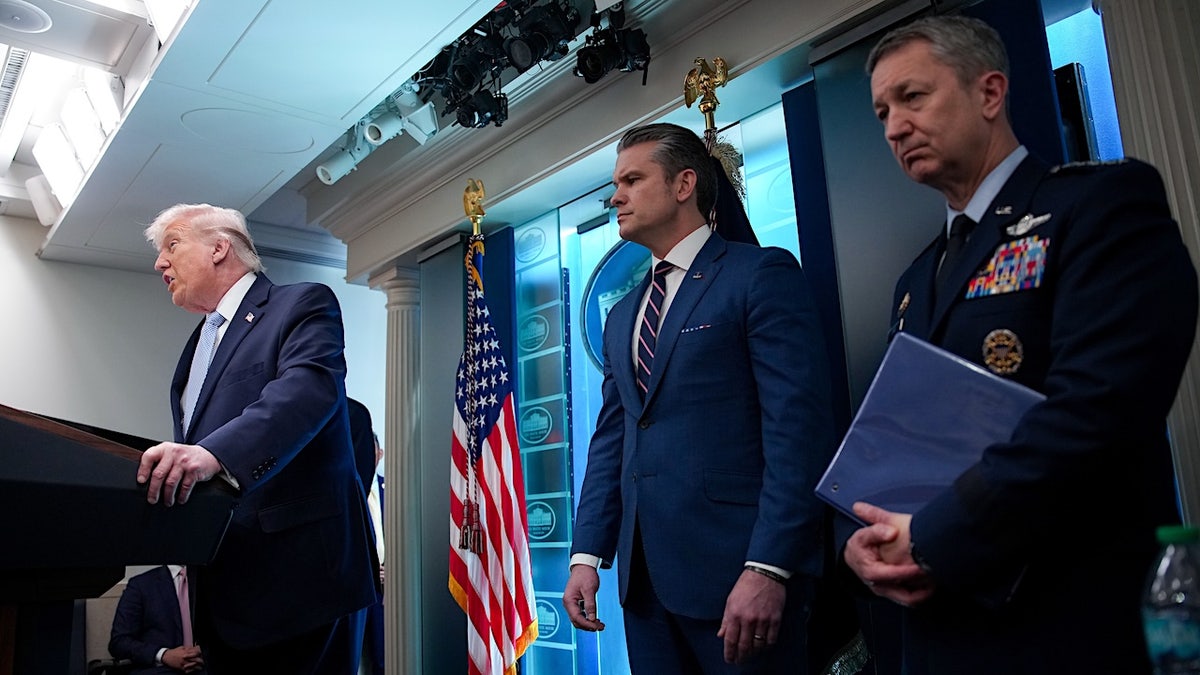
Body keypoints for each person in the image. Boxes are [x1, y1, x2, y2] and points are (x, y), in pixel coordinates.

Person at [842, 15, 1198, 674]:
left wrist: (933, 534)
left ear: (990, 92)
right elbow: (899, 438)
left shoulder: (1097, 206)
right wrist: (861, 539)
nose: (894, 127)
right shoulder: (916, 279)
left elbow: (1098, 409)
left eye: (913, 97)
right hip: (940, 629)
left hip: (1065, 619)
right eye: (883, 112)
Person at [562, 122, 836, 673]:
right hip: (645, 589)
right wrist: (586, 555)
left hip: (739, 579)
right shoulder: (622, 316)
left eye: (633, 180)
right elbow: (613, 439)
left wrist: (769, 567)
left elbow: (797, 433)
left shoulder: (758, 274)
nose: (615, 197)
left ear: (684, 183)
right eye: (616, 184)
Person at [137, 203, 377, 673]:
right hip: (224, 594)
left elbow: (307, 390)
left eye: (172, 245)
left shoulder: (301, 304)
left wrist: (214, 453)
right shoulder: (198, 343)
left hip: (299, 590)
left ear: (219, 248)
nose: (160, 262)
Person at [109, 565, 206, 674]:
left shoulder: (214, 582)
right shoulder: (142, 585)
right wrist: (162, 655)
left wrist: (206, 652)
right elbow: (120, 642)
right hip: (158, 670)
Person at [348, 397, 385, 675]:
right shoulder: (346, 493)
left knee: (384, 660)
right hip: (355, 593)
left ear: (379, 453)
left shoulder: (394, 491)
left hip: (387, 596)